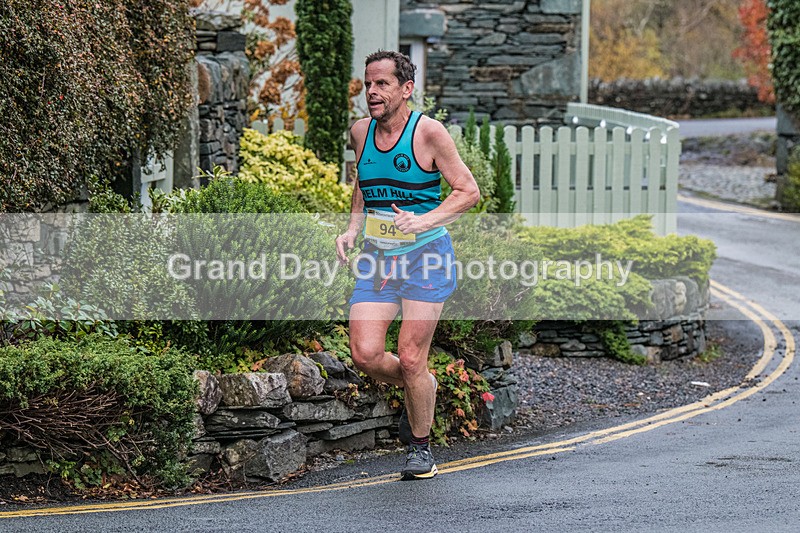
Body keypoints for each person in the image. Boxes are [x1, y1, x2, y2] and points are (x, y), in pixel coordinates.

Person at [335, 50, 480, 480]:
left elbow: (468, 191)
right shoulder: (360, 132)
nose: (372, 92)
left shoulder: (428, 133)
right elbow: (363, 181)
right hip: (378, 259)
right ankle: (423, 387)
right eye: (368, 84)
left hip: (426, 258)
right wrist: (352, 227)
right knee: (364, 353)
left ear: (406, 89)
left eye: (382, 84)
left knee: (412, 356)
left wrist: (424, 220)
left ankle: (420, 449)